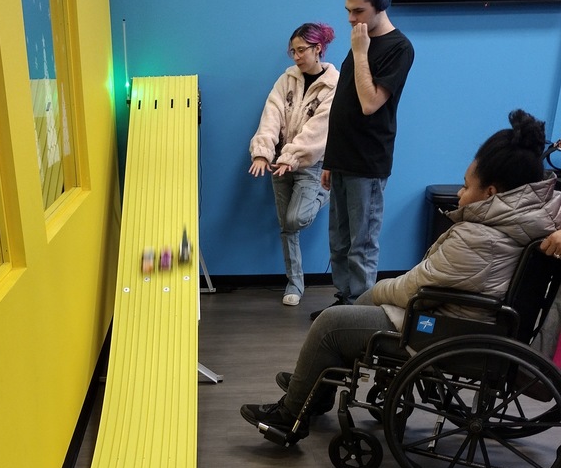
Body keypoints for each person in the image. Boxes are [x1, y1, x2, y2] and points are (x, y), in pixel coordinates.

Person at [240, 110, 561, 444]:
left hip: (446, 329)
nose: (460, 194)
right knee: (354, 313)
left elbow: (414, 289)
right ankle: (315, 388)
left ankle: (289, 417)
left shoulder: (480, 238)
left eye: (467, 187)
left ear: (491, 193)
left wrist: (380, 288)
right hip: (475, 323)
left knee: (331, 324)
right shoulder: (536, 217)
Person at [311, 0, 414, 320]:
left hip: (367, 163)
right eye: (348, 11)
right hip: (341, 159)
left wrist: (359, 53)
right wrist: (330, 159)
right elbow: (344, 105)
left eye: (359, 11)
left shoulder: (398, 47)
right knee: (339, 242)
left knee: (361, 244)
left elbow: (370, 103)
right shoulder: (362, 41)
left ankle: (359, 316)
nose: (352, 19)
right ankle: (345, 304)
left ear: (381, 5)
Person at [248, 22, 339, 306]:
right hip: (279, 164)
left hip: (310, 164)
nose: (296, 56)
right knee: (286, 227)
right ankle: (295, 284)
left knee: (295, 219)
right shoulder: (286, 80)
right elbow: (271, 115)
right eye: (293, 51)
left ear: (318, 48)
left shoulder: (334, 85)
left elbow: (318, 130)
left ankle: (326, 193)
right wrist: (263, 153)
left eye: (301, 50)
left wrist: (292, 156)